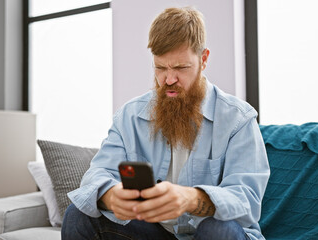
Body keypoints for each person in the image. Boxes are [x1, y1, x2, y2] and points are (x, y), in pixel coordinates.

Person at [62, 7, 270, 240]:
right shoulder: (129, 116)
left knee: (217, 230)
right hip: (154, 232)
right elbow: (96, 175)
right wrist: (110, 196)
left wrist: (191, 198)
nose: (168, 80)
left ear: (203, 59)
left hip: (213, 233)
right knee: (78, 215)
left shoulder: (238, 119)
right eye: (160, 68)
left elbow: (247, 198)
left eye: (181, 68)